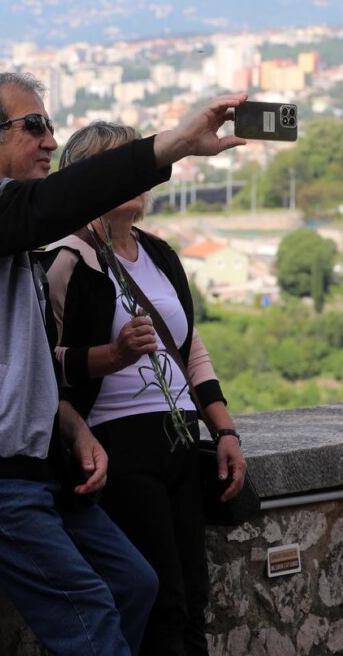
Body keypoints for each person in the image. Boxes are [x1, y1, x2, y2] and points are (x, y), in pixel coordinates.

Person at [0, 71, 248, 656]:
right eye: (34, 126)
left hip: (31, 463)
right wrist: (175, 143)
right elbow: (53, 205)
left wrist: (74, 429)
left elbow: (27, 363)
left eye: (51, 126)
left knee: (137, 585)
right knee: (88, 609)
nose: (50, 141)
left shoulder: (13, 244)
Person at [43, 122, 247, 656]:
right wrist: (114, 356)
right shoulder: (68, 261)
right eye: (120, 164)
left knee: (195, 599)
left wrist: (223, 429)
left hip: (180, 436)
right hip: (120, 442)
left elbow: (188, 348)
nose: (135, 175)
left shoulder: (160, 255)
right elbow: (46, 365)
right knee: (163, 598)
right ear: (89, 179)